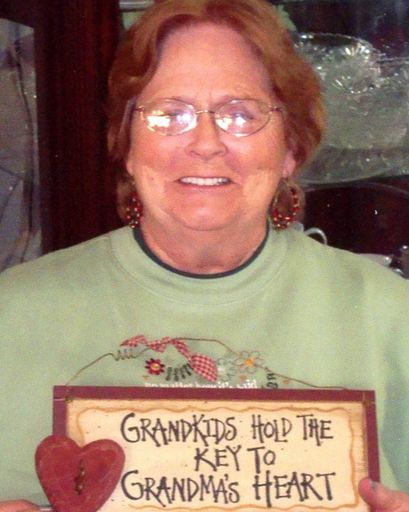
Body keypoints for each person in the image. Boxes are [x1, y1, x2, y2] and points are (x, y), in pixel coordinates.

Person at [1, 0, 408, 510]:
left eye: (240, 114)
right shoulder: (12, 315)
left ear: (290, 148)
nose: (206, 143)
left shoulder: (391, 316)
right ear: (127, 144)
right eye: (170, 114)